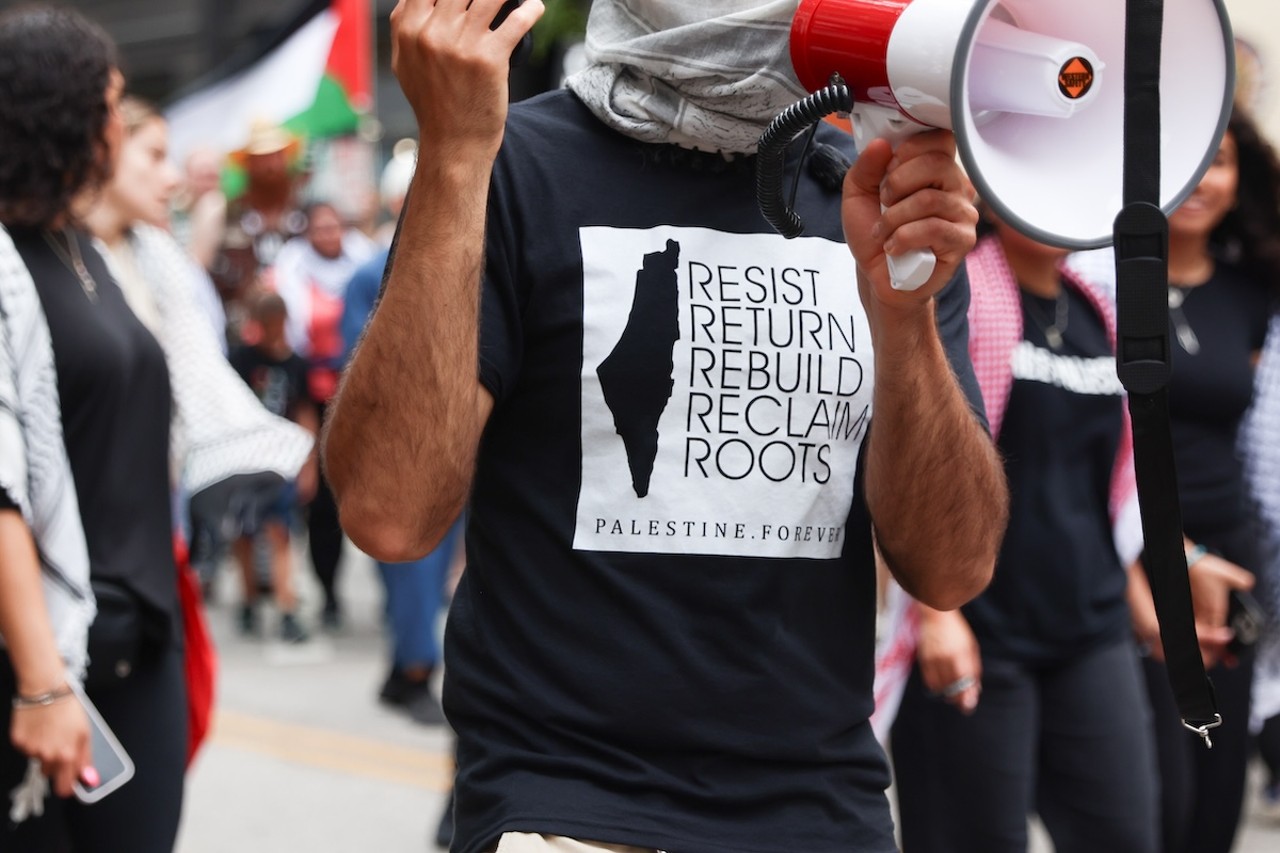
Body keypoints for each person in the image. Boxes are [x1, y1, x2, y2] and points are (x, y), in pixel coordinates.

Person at [324, 3, 1006, 853]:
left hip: (823, 808)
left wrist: (903, 320)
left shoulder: (869, 189)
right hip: (566, 804)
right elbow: (390, 511)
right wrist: (455, 159)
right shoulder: (506, 160)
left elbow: (953, 566)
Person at [889, 212, 1159, 852]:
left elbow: (1110, 483)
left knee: (1124, 833)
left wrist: (1143, 596)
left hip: (1091, 629)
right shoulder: (958, 294)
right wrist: (936, 613)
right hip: (981, 632)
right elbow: (911, 457)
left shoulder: (1098, 310)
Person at [0, 7, 181, 849]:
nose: (122, 119)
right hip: (48, 657)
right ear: (63, 112)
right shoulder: (7, 262)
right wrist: (40, 682)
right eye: (111, 103)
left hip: (140, 641)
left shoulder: (89, 249)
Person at [78, 95, 314, 605]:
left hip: (154, 510)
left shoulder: (159, 256)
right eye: (156, 156)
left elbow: (193, 365)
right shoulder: (53, 262)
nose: (174, 178)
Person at [1126, 108, 1280, 853]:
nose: (1199, 179)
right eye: (1179, 159)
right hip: (1132, 552)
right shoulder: (1100, 284)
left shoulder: (1254, 298)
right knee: (1149, 792)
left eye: (1216, 161)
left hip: (1234, 560)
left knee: (1217, 794)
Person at [272, 200, 376, 629]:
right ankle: (329, 589)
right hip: (313, 403)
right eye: (319, 227)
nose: (328, 234)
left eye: (334, 226)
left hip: (364, 397)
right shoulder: (291, 271)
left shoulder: (369, 264)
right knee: (321, 502)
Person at [228, 290, 316, 643]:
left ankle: (286, 607)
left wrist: (309, 464)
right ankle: (249, 600)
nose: (271, 331)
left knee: (279, 533)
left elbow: (307, 415)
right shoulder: (241, 360)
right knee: (244, 535)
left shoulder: (297, 365)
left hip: (282, 463)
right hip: (247, 459)